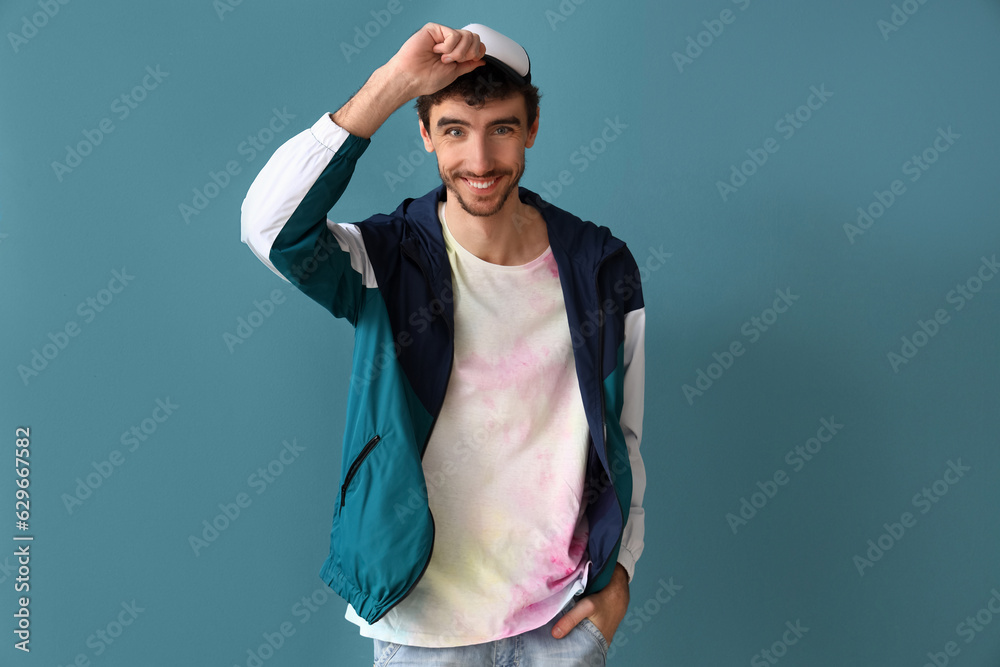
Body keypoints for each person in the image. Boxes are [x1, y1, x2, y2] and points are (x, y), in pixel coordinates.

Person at [241, 21, 646, 666]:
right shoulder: (385, 260)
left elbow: (621, 436)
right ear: (425, 133)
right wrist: (393, 83)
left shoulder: (600, 266)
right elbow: (268, 225)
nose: (479, 162)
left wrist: (619, 573)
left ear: (532, 129)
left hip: (562, 623)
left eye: (502, 129)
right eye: (455, 129)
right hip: (423, 628)